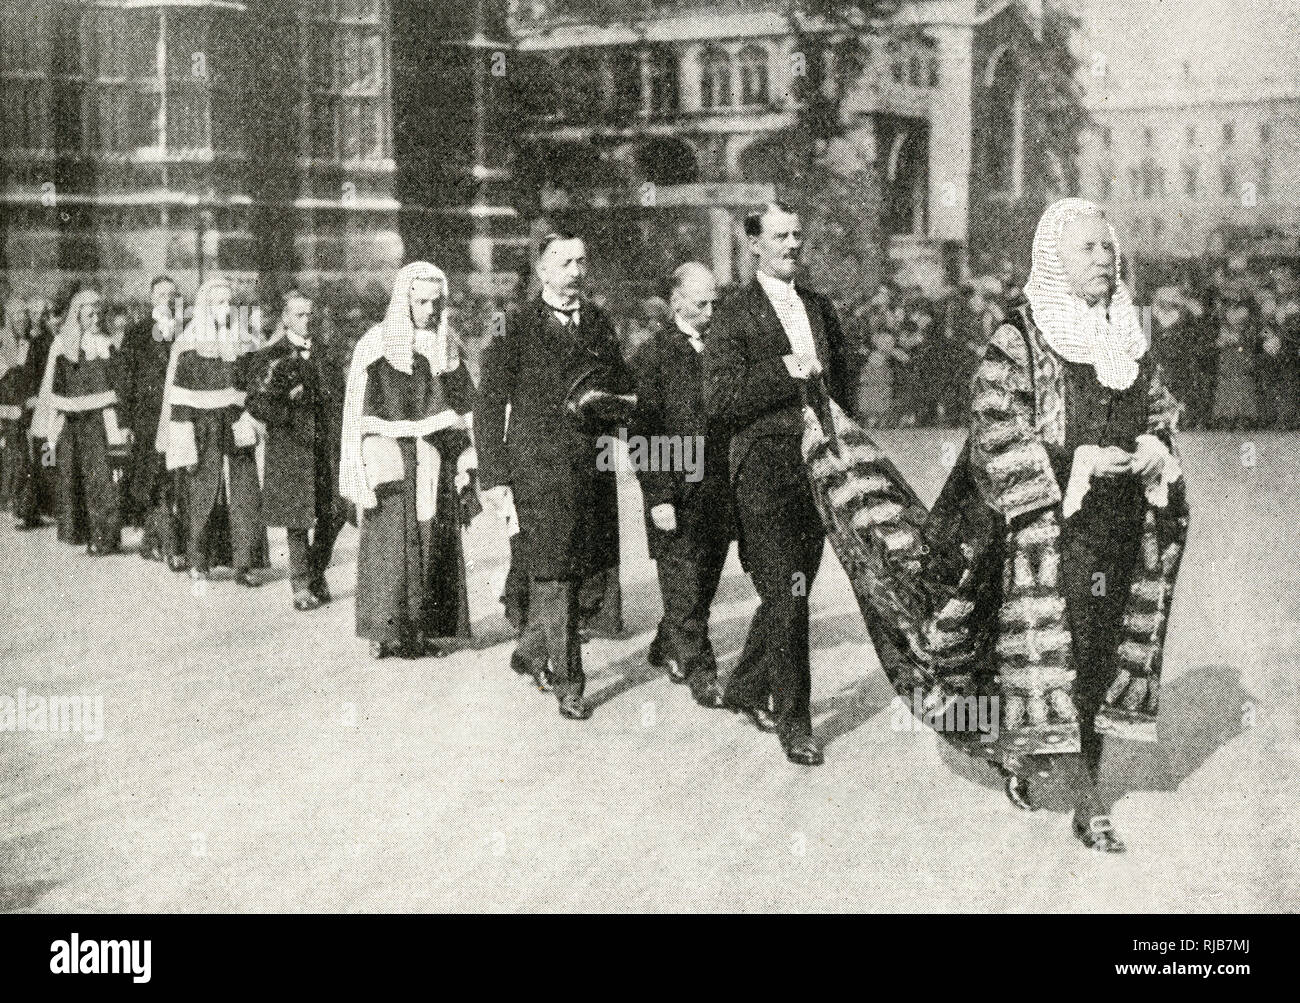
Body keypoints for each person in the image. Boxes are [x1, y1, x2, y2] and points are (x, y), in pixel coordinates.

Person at [800, 197, 1189, 852]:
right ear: (1055, 260)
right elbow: (992, 431)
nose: (1104, 258)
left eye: (1107, 247)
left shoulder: (1128, 334)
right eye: (1088, 248)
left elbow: (1157, 414)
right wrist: (1075, 462)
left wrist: (1155, 450)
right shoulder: (1018, 337)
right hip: (1039, 531)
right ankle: (1087, 802)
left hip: (1119, 523)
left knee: (1093, 657)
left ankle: (1057, 762)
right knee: (1049, 659)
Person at [703, 203, 853, 766]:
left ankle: (744, 684)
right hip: (761, 475)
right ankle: (797, 722)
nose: (792, 245)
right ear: (755, 245)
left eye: (797, 234)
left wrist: (847, 451)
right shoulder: (734, 312)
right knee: (789, 598)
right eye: (780, 236)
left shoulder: (819, 306)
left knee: (792, 589)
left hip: (815, 470)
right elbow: (718, 399)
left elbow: (845, 384)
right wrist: (782, 370)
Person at [477, 231, 636, 720]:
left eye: (581, 261)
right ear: (542, 271)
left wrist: (614, 406)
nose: (576, 270)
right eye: (565, 262)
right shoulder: (514, 325)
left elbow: (622, 383)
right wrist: (493, 475)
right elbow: (488, 402)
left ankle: (530, 650)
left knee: (586, 565)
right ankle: (571, 681)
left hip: (590, 465)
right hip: (537, 469)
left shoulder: (600, 321)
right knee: (552, 571)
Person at [338, 262, 479, 659]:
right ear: (405, 300)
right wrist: (360, 466)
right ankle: (384, 631)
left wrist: (467, 456)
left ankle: (423, 632)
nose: (430, 311)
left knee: (434, 540)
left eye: (437, 302)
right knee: (390, 545)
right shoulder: (376, 343)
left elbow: (465, 405)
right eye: (421, 302)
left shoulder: (447, 343)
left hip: (436, 457)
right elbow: (356, 412)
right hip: (392, 460)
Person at [631, 262, 731, 709]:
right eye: (700, 302)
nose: (710, 310)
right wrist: (658, 496)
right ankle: (701, 670)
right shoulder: (652, 357)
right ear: (676, 302)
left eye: (714, 301)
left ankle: (667, 643)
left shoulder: (725, 348)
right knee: (684, 582)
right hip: (674, 489)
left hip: (717, 488)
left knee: (705, 577)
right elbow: (642, 433)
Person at [156, 276, 264, 585]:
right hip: (202, 428)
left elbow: (253, 388)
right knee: (202, 493)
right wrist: (184, 444)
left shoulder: (242, 344)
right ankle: (199, 560)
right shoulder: (189, 346)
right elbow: (179, 402)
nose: (226, 308)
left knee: (244, 491)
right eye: (218, 302)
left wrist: (250, 418)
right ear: (204, 307)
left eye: (229, 302)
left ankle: (245, 563)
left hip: (235, 423)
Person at [245, 289, 347, 611]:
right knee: (298, 517)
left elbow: (341, 395)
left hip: (326, 443)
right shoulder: (269, 356)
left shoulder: (326, 354)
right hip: (291, 445)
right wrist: (288, 410)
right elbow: (255, 401)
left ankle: (316, 571)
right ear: (286, 318)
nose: (307, 321)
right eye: (300, 315)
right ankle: (301, 585)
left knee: (336, 510)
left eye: (310, 314)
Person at [34, 289, 133, 554]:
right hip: (71, 424)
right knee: (72, 478)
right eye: (90, 314)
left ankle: (105, 537)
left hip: (99, 423)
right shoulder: (62, 345)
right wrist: (49, 432)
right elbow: (53, 389)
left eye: (99, 314)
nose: (96, 319)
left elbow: (119, 383)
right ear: (77, 316)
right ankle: (82, 534)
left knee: (101, 480)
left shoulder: (107, 344)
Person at [122, 275, 186, 567]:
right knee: (152, 476)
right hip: (146, 417)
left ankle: (153, 539)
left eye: (172, 295)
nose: (167, 300)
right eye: (161, 295)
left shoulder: (184, 331)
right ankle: (167, 541)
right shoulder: (136, 333)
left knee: (170, 476)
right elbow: (125, 379)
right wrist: (125, 422)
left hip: (176, 413)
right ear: (151, 299)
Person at [0, 296, 40, 527]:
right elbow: (8, 378)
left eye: (25, 315)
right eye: (18, 315)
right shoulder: (3, 342)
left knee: (30, 457)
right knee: (17, 459)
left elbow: (30, 375)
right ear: (10, 318)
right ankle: (19, 506)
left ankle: (27, 507)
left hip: (26, 408)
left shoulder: (29, 344)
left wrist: (32, 397)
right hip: (8, 411)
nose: (23, 319)